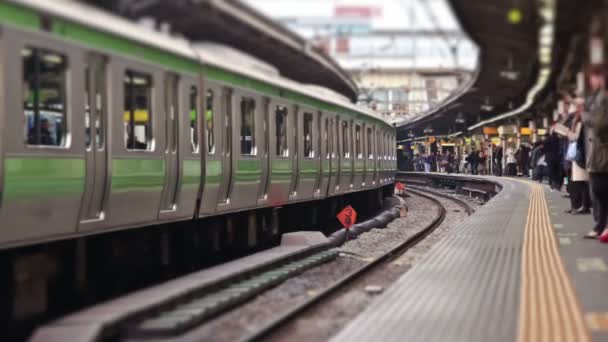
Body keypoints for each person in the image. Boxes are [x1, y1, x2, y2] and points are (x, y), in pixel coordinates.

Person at [582, 66, 608, 240]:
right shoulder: (596, 98)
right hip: (595, 152)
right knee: (598, 190)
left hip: (603, 152)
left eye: (594, 77)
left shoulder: (603, 99)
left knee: (601, 189)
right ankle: (600, 225)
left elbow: (600, 124)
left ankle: (602, 226)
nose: (592, 81)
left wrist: (584, 115)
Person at [565, 98, 591, 214]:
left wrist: (568, 133)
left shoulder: (582, 121)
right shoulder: (580, 119)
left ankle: (584, 206)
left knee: (582, 182)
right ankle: (582, 205)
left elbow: (576, 138)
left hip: (580, 155)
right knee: (580, 181)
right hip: (578, 155)